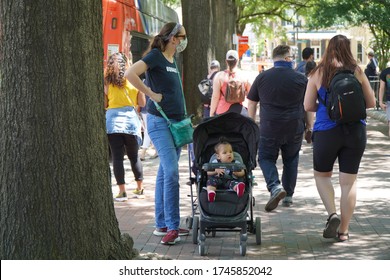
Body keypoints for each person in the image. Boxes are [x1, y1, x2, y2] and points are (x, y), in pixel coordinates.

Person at [304, 35, 376, 242]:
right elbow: (370, 103)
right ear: (349, 49)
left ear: (329, 49)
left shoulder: (318, 72)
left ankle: (332, 214)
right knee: (349, 183)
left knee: (322, 176)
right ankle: (343, 231)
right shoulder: (357, 71)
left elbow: (308, 106)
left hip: (327, 131)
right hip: (355, 132)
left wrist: (328, 106)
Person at [124, 22, 190, 245]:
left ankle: (162, 224)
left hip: (177, 123)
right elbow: (130, 73)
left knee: (164, 173)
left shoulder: (173, 60)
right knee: (171, 172)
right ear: (173, 38)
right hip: (159, 121)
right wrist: (151, 94)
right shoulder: (155, 56)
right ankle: (172, 226)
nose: (183, 41)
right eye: (181, 37)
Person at [247, 45, 312, 211]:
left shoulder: (262, 78)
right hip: (294, 126)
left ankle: (275, 186)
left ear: (274, 59)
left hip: (269, 127)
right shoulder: (301, 79)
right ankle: (288, 195)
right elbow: (307, 106)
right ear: (288, 58)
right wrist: (309, 127)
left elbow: (252, 103)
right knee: (291, 159)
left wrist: (252, 124)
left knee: (265, 158)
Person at [104, 52, 146, 201]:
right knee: (134, 157)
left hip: (112, 123)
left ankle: (122, 191)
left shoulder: (107, 82)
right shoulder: (133, 80)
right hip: (130, 122)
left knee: (117, 158)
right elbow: (142, 103)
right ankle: (139, 188)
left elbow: (105, 104)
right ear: (126, 64)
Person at [210, 50, 251, 117]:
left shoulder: (219, 76)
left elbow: (215, 96)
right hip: (242, 111)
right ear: (237, 61)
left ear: (226, 61)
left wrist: (211, 113)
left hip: (223, 111)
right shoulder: (245, 75)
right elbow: (251, 95)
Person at [138, 94, 158, 161]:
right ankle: (156, 149)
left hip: (149, 107)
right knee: (148, 129)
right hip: (146, 107)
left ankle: (143, 151)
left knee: (148, 130)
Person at [378, 66, 390, 136]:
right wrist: (380, 102)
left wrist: (380, 102)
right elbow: (381, 88)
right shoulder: (385, 72)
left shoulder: (385, 72)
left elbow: (381, 88)